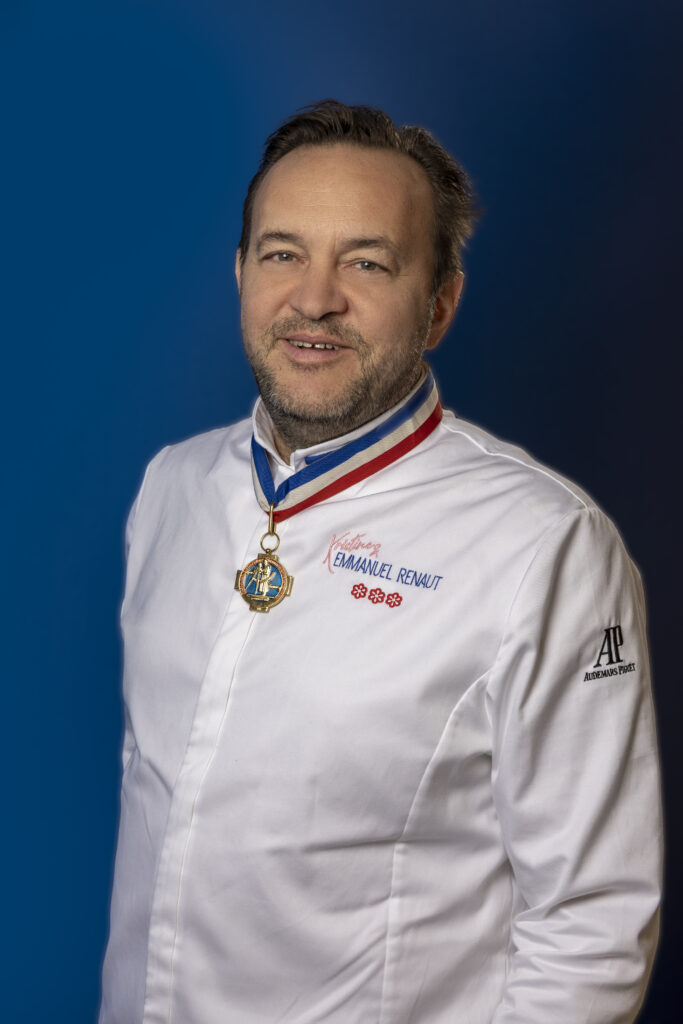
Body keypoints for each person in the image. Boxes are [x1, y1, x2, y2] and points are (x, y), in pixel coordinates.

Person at [100, 101, 662, 1023]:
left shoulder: (543, 544)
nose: (314, 298)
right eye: (282, 253)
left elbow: (591, 925)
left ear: (440, 303)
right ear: (240, 271)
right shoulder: (172, 486)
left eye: (366, 262)